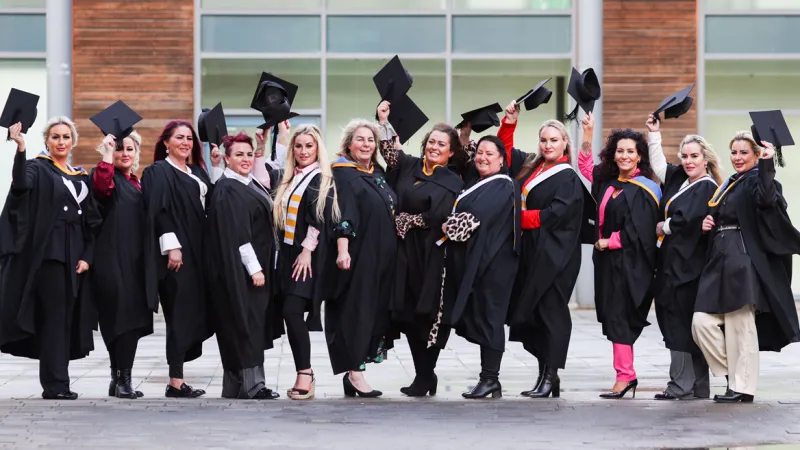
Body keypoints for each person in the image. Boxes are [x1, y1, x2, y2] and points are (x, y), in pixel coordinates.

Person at [692, 130, 800, 403]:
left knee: (741, 327)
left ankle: (744, 388)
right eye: (734, 152)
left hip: (743, 262)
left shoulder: (759, 180)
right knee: (701, 323)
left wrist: (767, 163)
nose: (737, 157)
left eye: (744, 152)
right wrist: (709, 224)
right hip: (719, 260)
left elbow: (765, 200)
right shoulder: (730, 182)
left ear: (755, 155)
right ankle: (734, 375)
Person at [0, 117, 99, 400]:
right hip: (50, 256)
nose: (60, 142)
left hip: (75, 259)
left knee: (66, 320)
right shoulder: (37, 167)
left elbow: (92, 222)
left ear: (73, 141)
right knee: (55, 319)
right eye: (55, 136)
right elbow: (20, 185)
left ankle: (59, 382)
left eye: (66, 137)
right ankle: (56, 385)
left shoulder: (80, 175)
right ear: (47, 141)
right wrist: (20, 148)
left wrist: (87, 257)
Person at [500, 100, 592, 399]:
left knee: (551, 311)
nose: (548, 144)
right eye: (543, 140)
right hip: (533, 251)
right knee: (536, 313)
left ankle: (551, 375)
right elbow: (504, 158)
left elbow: (557, 214)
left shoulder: (567, 177)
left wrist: (518, 219)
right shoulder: (534, 166)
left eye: (554, 140)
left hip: (556, 255)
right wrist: (509, 123)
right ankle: (545, 375)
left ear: (565, 142)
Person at [377, 100, 466, 397]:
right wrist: (384, 120)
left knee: (430, 316)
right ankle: (423, 374)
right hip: (404, 254)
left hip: (433, 256)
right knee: (408, 315)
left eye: (441, 144)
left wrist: (409, 219)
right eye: (431, 141)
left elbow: (441, 217)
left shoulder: (452, 180)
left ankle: (426, 374)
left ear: (451, 152)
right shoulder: (410, 165)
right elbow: (389, 152)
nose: (434, 147)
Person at [578, 113, 661, 399]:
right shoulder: (608, 183)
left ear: (640, 156)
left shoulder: (645, 189)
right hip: (607, 263)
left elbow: (640, 232)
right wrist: (588, 133)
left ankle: (625, 376)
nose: (624, 156)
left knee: (621, 318)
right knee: (614, 318)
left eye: (630, 151)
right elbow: (586, 166)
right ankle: (625, 375)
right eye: (620, 151)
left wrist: (606, 242)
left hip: (632, 263)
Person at [435, 135, 520, 399]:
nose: (482, 157)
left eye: (489, 154)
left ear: (502, 159)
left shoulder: (504, 185)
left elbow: (471, 220)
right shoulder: (480, 183)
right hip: (482, 263)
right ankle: (488, 379)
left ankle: (491, 379)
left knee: (491, 319)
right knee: (484, 317)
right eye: (480, 152)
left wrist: (446, 225)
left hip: (495, 264)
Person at [646, 115, 721, 401]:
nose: (689, 161)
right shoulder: (682, 181)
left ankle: (680, 385)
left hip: (688, 269)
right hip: (673, 264)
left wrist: (663, 226)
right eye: (685, 156)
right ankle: (697, 386)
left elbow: (687, 218)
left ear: (705, 159)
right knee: (683, 326)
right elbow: (660, 166)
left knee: (679, 325)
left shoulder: (707, 187)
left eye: (694, 156)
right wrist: (655, 134)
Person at [205, 132, 280, 400]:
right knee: (245, 323)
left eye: (249, 154)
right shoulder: (229, 189)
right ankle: (253, 385)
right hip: (242, 273)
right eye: (239, 154)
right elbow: (239, 234)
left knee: (246, 322)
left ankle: (236, 386)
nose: (245, 159)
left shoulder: (246, 184)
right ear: (227, 158)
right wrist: (254, 268)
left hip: (248, 270)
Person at [141, 120, 213, 398]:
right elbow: (158, 211)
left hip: (201, 251)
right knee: (179, 313)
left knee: (196, 310)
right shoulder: (158, 172)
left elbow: (213, 201)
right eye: (179, 137)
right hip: (178, 253)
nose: (186, 142)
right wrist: (172, 246)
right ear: (166, 142)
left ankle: (179, 377)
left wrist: (215, 163)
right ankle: (176, 381)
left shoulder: (197, 171)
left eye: (189, 138)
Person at [328, 119, 398, 398]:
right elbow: (344, 214)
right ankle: (355, 373)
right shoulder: (343, 173)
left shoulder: (376, 172)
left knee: (373, 312)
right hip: (361, 255)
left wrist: (385, 122)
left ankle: (355, 372)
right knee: (357, 312)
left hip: (384, 257)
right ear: (348, 144)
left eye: (371, 140)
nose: (366, 144)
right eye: (360, 139)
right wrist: (343, 250)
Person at [273, 124, 339, 400]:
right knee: (288, 313)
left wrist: (307, 250)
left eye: (309, 146)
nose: (303, 151)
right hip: (287, 255)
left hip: (306, 256)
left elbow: (319, 216)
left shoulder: (321, 178)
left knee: (292, 311)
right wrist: (280, 137)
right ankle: (304, 371)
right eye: (298, 146)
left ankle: (306, 373)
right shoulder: (290, 178)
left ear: (318, 149)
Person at [89, 131, 153, 399]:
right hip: (111, 259)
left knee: (132, 320)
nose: (124, 153)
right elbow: (102, 189)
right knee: (118, 319)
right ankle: (122, 379)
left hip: (136, 260)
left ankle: (119, 379)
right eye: (119, 149)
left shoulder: (137, 183)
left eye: (129, 149)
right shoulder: (105, 176)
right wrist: (106, 154)